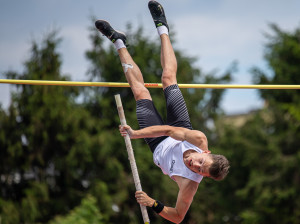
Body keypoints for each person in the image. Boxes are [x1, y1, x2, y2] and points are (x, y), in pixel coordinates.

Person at [95, 1, 230, 223]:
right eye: (200, 163)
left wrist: (153, 203)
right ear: (205, 153)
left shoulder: (189, 185)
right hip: (178, 129)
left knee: (140, 92)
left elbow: (177, 217)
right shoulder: (198, 139)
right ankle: (162, 26)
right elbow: (168, 129)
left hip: (157, 144)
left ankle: (118, 41)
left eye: (200, 172)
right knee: (168, 79)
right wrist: (136, 134)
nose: (194, 166)